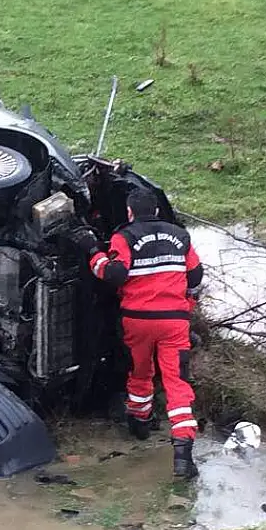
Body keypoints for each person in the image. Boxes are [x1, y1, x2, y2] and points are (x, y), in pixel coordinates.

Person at [74, 188, 205, 480]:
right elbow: (196, 276)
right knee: (177, 383)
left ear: (130, 212)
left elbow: (113, 274)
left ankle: (139, 422)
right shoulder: (180, 236)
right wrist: (184, 301)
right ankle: (183, 457)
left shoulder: (125, 236)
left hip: (138, 320)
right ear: (156, 210)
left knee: (140, 371)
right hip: (174, 322)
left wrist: (93, 251)